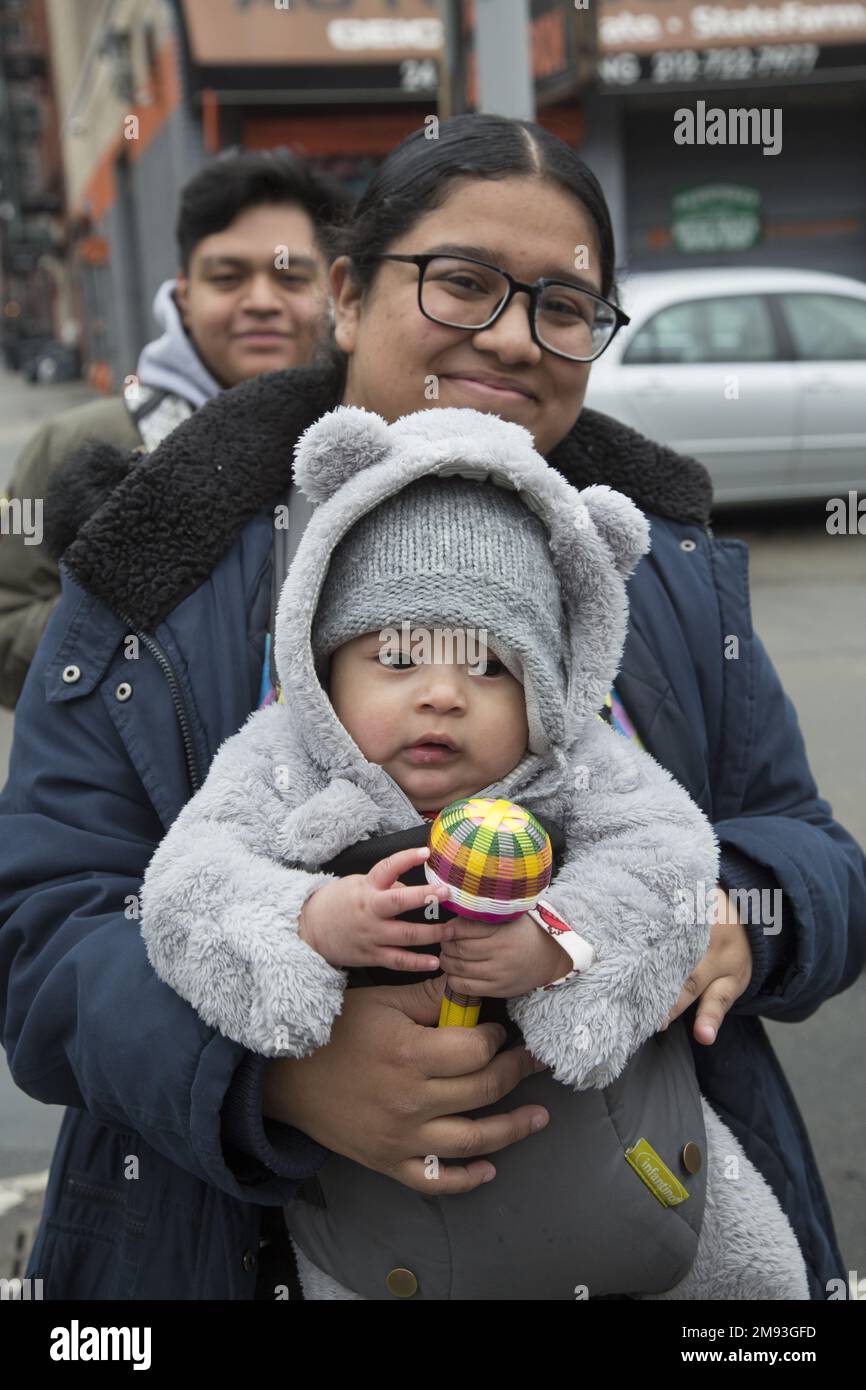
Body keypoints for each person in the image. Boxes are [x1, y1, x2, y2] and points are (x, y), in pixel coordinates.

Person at [1, 113, 863, 1302]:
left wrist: (731, 920)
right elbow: (47, 932)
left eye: (563, 307)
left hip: (637, 1231)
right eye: (461, 283)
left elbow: (808, 851)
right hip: (226, 1244)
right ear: (347, 296)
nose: (512, 336)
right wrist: (274, 1080)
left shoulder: (656, 565)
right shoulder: (158, 568)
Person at [137, 401, 809, 1300]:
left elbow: (671, 856)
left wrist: (561, 943)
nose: (443, 696)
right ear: (320, 661)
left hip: (639, 1189)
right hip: (376, 1241)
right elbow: (185, 888)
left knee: (761, 1289)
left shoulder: (575, 766)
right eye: (399, 656)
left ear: (551, 689)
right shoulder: (278, 761)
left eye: (491, 666)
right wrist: (309, 920)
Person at [0, 149, 351, 708]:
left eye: (289, 276)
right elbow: (7, 623)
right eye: (228, 277)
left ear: (333, 296)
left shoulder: (368, 446)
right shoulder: (71, 445)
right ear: (185, 296)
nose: (261, 301)